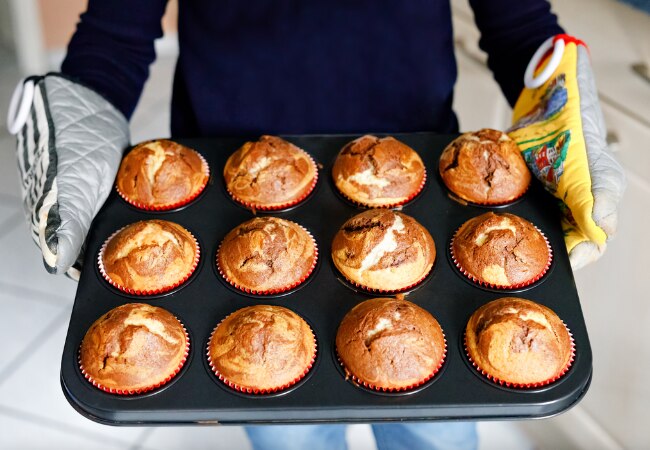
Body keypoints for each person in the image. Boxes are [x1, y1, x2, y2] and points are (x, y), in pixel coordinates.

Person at [5, 1, 625, 449]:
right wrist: (77, 119)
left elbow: (518, 26)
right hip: (233, 192)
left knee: (437, 430)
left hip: (422, 183)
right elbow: (117, 32)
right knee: (293, 435)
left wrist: (562, 106)